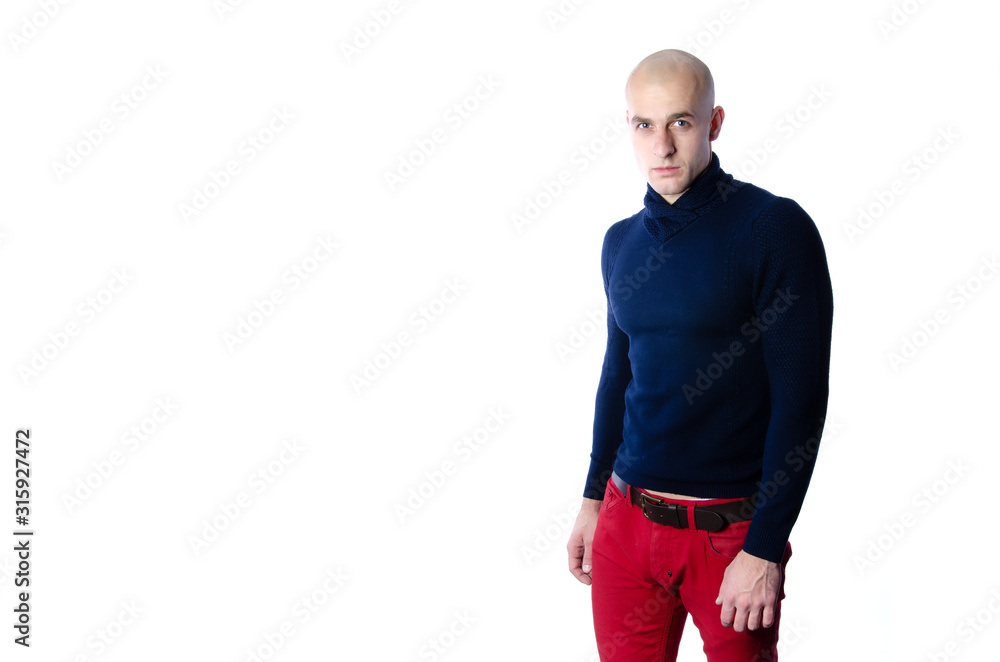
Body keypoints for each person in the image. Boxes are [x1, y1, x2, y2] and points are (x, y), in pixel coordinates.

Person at [566, 48, 833, 661]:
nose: (661, 145)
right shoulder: (621, 242)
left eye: (681, 122)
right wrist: (592, 500)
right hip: (626, 523)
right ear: (628, 125)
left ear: (714, 123)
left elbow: (801, 401)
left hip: (729, 536)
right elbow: (618, 376)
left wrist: (764, 547)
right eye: (645, 124)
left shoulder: (773, 228)